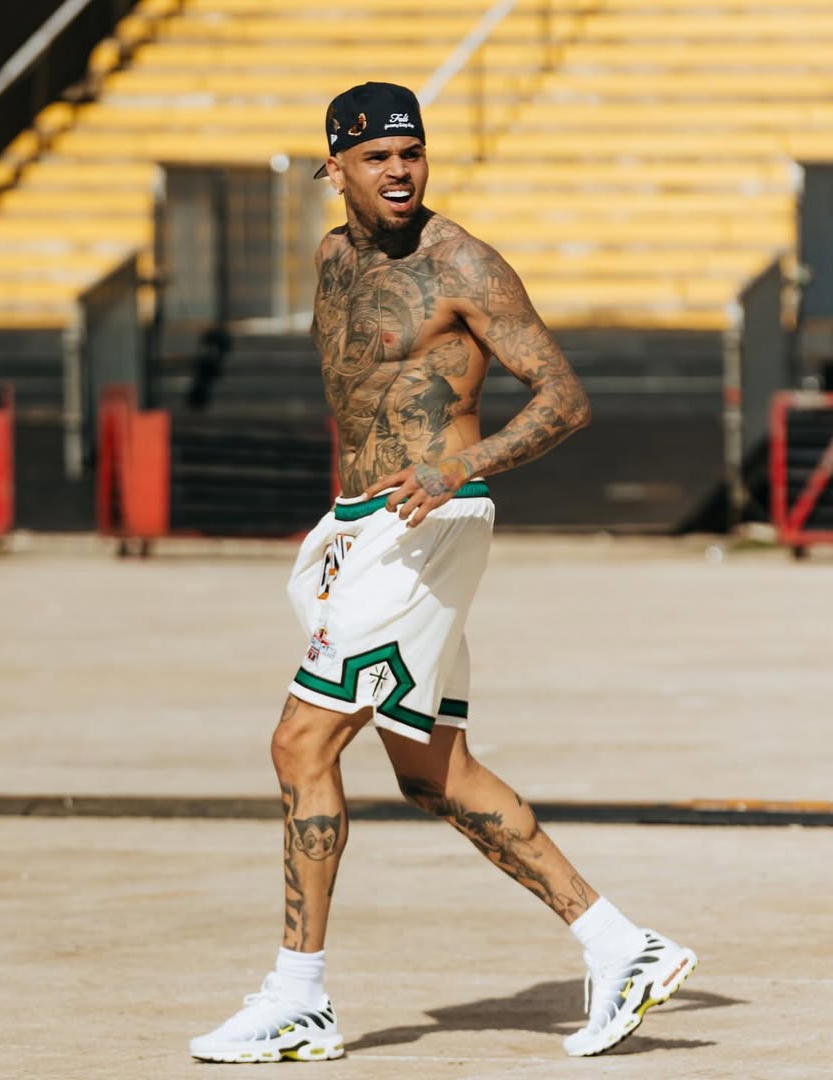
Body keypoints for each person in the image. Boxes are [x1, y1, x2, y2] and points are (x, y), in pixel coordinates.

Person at [189, 82, 696, 1064]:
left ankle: (299, 997)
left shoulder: (460, 262)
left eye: (411, 152)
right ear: (334, 168)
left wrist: (462, 464)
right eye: (377, 156)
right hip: (364, 527)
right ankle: (621, 946)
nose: (399, 170)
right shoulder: (332, 258)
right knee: (433, 772)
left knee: (300, 746)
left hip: (429, 523)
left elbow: (564, 397)